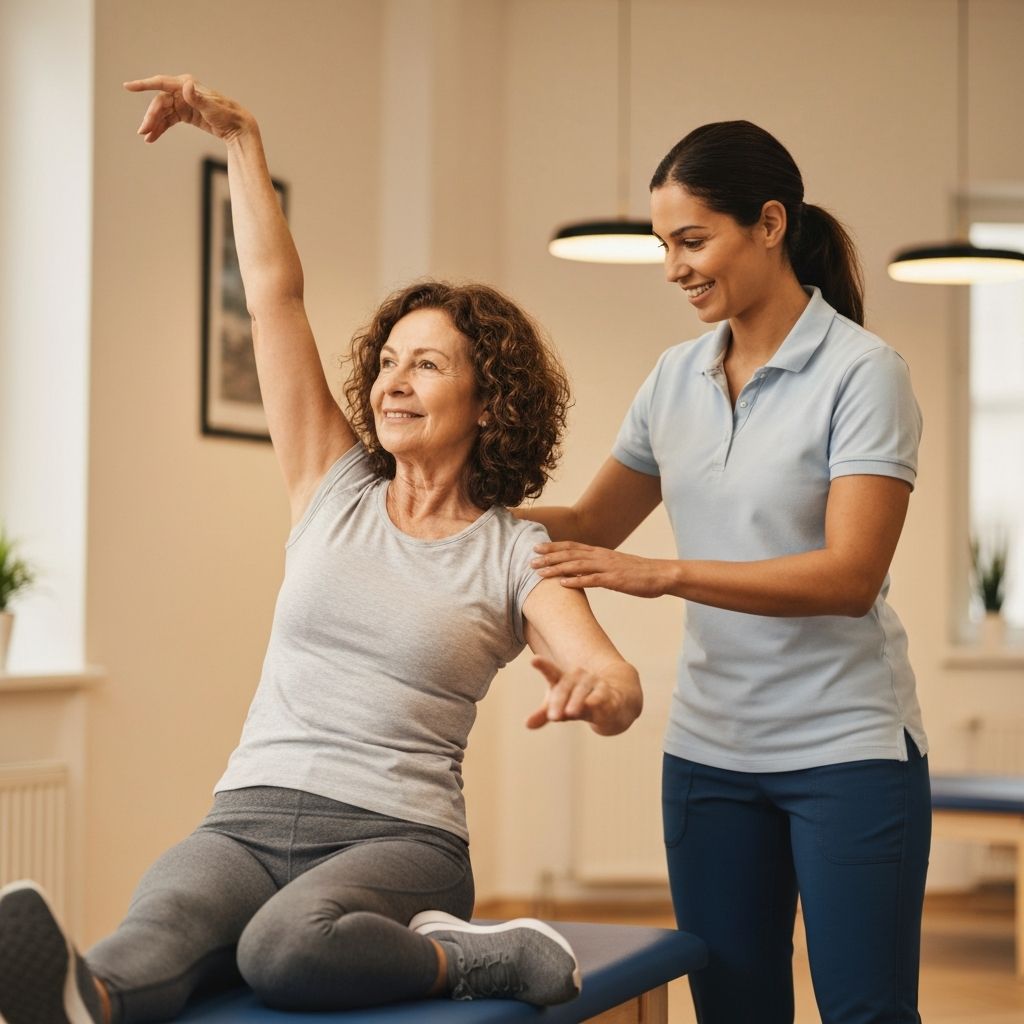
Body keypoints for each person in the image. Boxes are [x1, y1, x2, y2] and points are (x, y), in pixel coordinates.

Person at [0, 75, 643, 1024]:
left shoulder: (516, 553)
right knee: (162, 917)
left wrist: (598, 694)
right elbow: (273, 299)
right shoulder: (332, 484)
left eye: (426, 364)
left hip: (400, 835)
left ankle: (472, 960)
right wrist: (241, 142)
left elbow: (614, 677)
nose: (393, 382)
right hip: (248, 811)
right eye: (387, 361)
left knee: (283, 949)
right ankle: (80, 999)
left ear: (489, 398)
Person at [519, 121, 930, 1024]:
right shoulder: (674, 378)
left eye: (693, 240)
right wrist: (456, 513)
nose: (674, 267)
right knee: (736, 1010)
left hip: (847, 751)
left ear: (771, 224)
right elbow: (590, 523)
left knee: (866, 1010)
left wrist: (660, 576)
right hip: (710, 755)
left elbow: (849, 576)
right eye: (665, 245)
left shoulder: (865, 374)